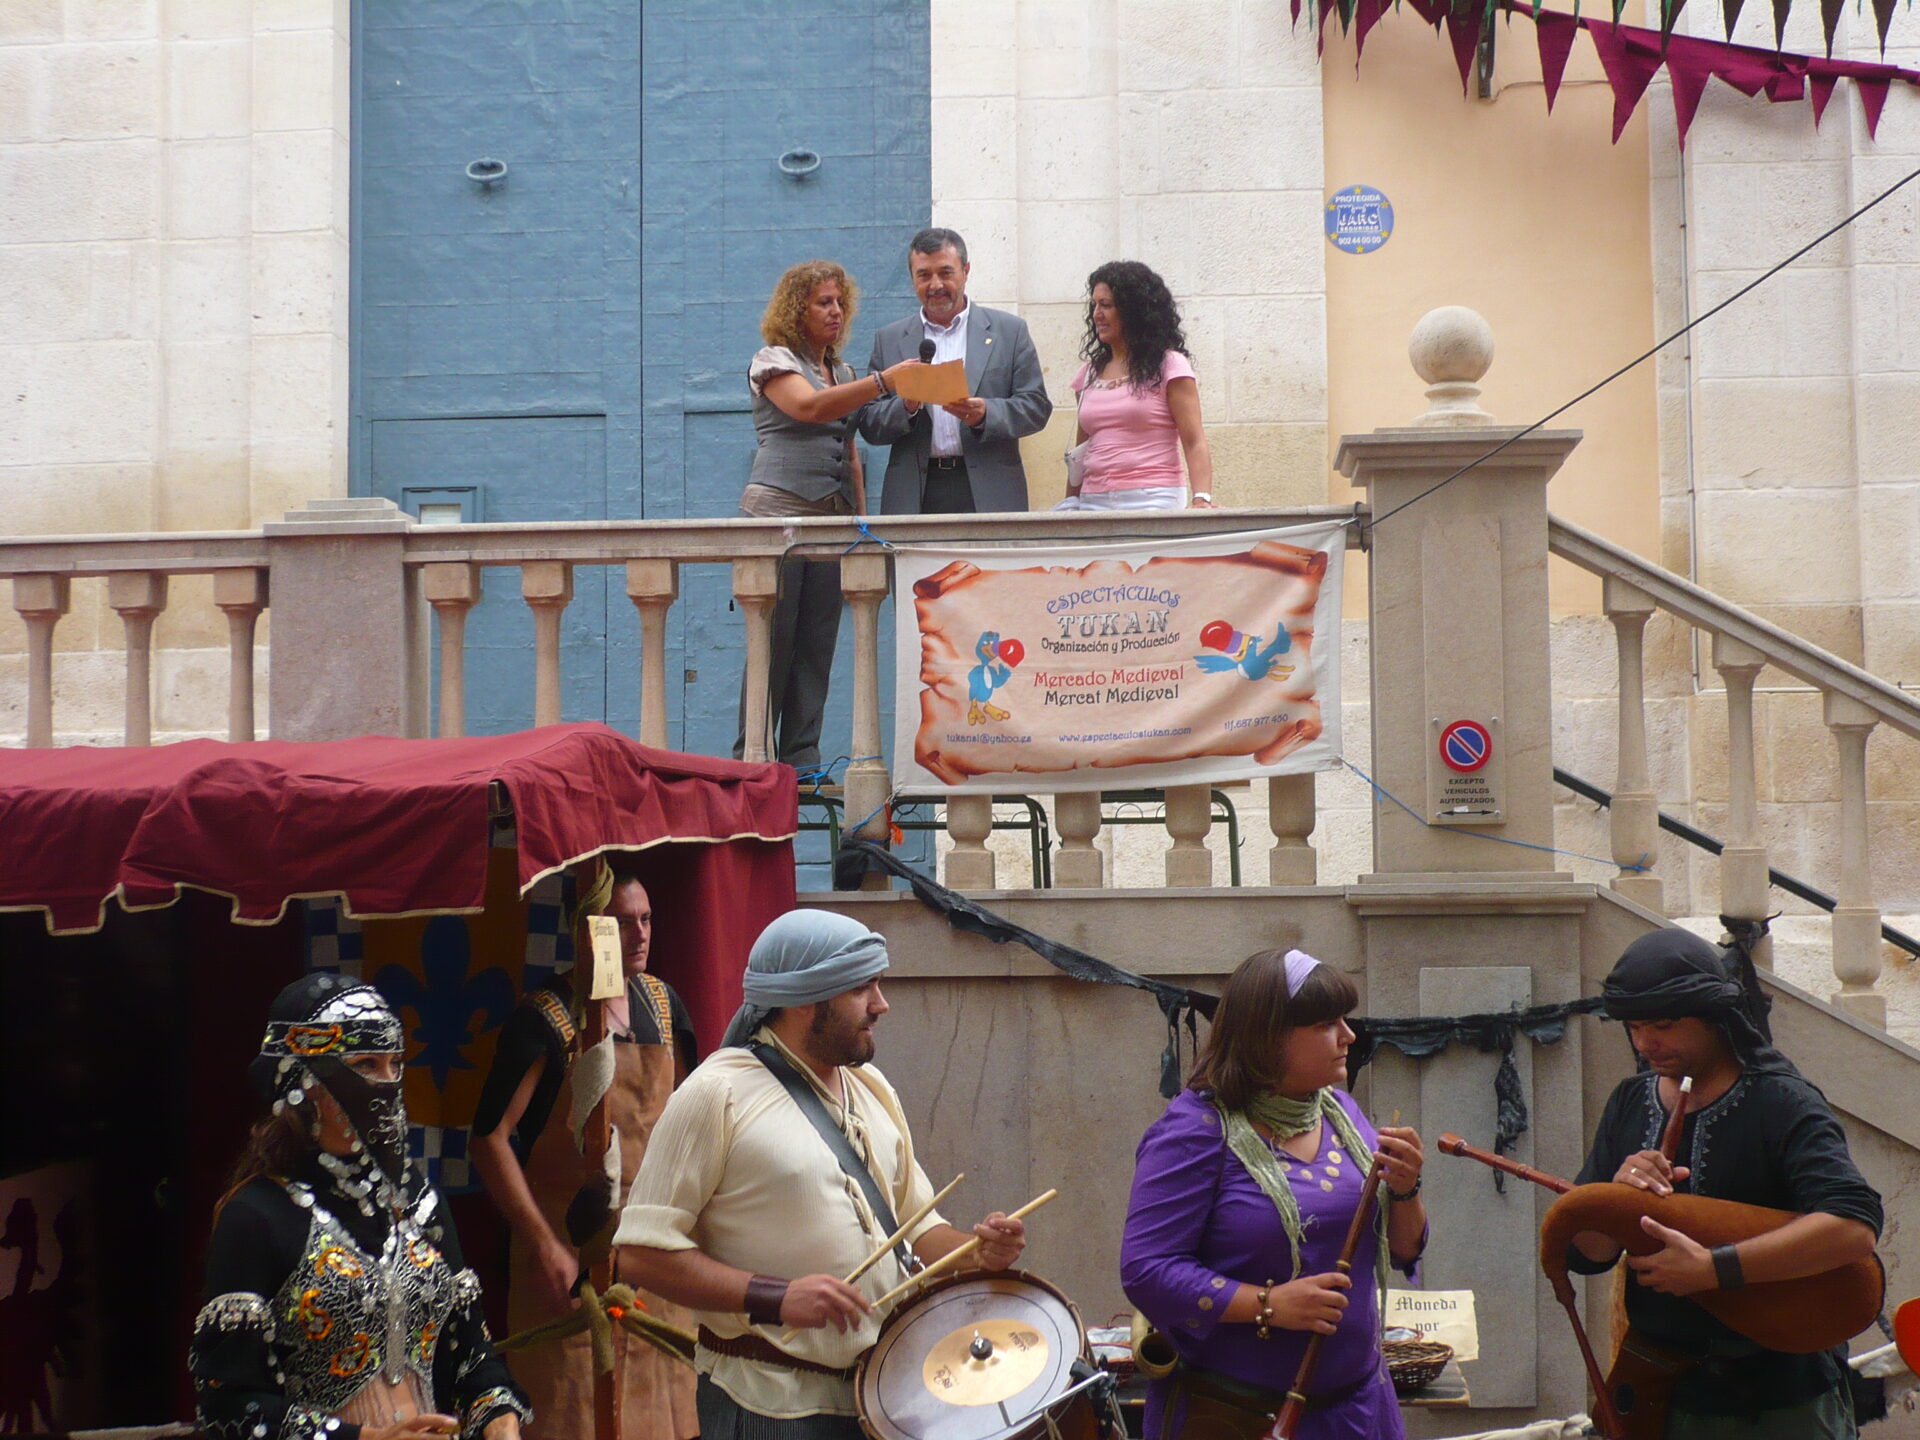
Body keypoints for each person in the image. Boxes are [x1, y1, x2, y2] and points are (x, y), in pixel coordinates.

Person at [615, 910, 1028, 1440]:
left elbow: (918, 1228)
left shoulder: (872, 1089)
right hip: (768, 1404)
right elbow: (641, 1254)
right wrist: (777, 1297)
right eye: (861, 988)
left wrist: (976, 1251)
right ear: (804, 998)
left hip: (883, 1399)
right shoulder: (715, 1093)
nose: (881, 1004)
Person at [1565, 928, 1882, 1438]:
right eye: (1635, 1027)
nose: (1646, 1043)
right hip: (1665, 1396)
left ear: (1715, 1018)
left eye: (1664, 1025)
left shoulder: (1782, 1101)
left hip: (1782, 1401)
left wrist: (1715, 1269)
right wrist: (1615, 1202)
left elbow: (1853, 1228)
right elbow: (1587, 1254)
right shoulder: (1630, 1100)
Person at [191, 972, 532, 1440]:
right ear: (305, 1080)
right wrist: (365, 1438)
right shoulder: (256, 1216)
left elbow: (473, 1356)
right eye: (366, 1064)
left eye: (395, 1064)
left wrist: (500, 1419)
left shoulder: (419, 1202)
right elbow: (229, 1404)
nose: (388, 1083)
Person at [1121, 948, 1428, 1440]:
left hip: (1360, 1413)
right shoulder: (1195, 1132)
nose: (1348, 1035)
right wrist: (1268, 1304)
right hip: (1236, 1418)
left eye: (1343, 1020)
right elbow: (1147, 1270)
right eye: (1325, 1024)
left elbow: (1404, 1249)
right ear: (1268, 1036)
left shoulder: (1341, 1114)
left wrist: (1407, 1188)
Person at [471, 867, 701, 1440]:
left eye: (646, 919)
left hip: (653, 1257)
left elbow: (693, 1123)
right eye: (622, 923)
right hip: (567, 1264)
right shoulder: (545, 1016)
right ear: (585, 931)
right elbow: (489, 1139)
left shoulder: (664, 1005)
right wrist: (544, 1245)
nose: (639, 935)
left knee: (661, 1416)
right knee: (572, 1415)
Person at [735, 259, 925, 768]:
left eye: (840, 302)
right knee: (772, 643)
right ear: (797, 309)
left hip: (830, 521)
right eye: (823, 302)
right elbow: (810, 408)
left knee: (817, 645)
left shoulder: (842, 373)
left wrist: (859, 523)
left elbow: (851, 448)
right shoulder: (772, 360)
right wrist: (885, 381)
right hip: (775, 517)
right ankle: (753, 758)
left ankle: (803, 760)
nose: (836, 311)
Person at [859, 227, 1054, 515]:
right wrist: (906, 407)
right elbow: (868, 423)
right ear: (912, 278)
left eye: (945, 273)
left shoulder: (1009, 332)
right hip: (915, 494)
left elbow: (1036, 408)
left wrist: (986, 414)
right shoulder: (889, 339)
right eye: (924, 275)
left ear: (966, 271)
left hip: (991, 490)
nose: (935, 285)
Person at [1057, 261, 1215, 512]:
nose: (1096, 314)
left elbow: (1194, 441)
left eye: (1106, 305)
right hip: (1092, 501)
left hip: (1154, 498)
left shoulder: (1170, 365)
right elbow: (1081, 453)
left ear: (1133, 310)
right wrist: (1071, 502)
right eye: (1094, 305)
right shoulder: (1087, 374)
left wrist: (1201, 499)